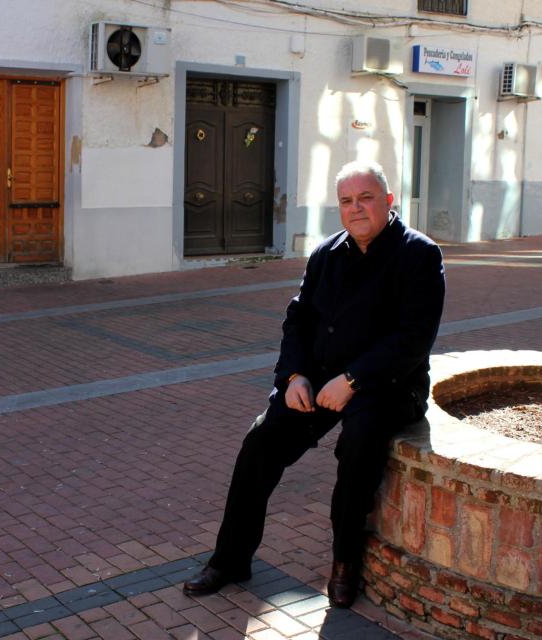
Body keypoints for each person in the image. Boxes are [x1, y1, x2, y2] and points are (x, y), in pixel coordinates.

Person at [182, 161, 445, 608]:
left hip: (387, 384)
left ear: (388, 200)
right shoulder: (327, 253)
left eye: (366, 198)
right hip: (320, 380)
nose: (356, 209)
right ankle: (230, 559)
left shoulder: (419, 254)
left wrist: (354, 379)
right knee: (260, 443)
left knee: (358, 449)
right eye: (347, 201)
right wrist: (293, 375)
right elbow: (298, 318)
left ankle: (345, 563)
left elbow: (413, 338)